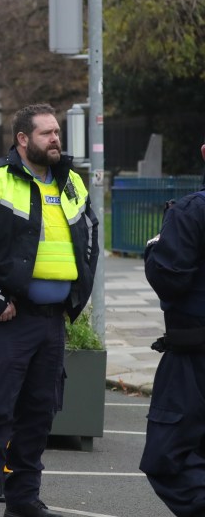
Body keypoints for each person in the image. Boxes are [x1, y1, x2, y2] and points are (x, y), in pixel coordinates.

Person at [0, 104, 98, 517]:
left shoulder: (71, 183)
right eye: (46, 133)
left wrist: (76, 298)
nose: (56, 139)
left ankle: (22, 497)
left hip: (52, 321)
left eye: (56, 132)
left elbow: (89, 238)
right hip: (10, 319)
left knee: (39, 413)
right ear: (22, 139)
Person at [140, 139, 205, 517]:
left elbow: (170, 277)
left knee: (170, 458)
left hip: (194, 361)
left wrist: (154, 247)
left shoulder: (192, 210)